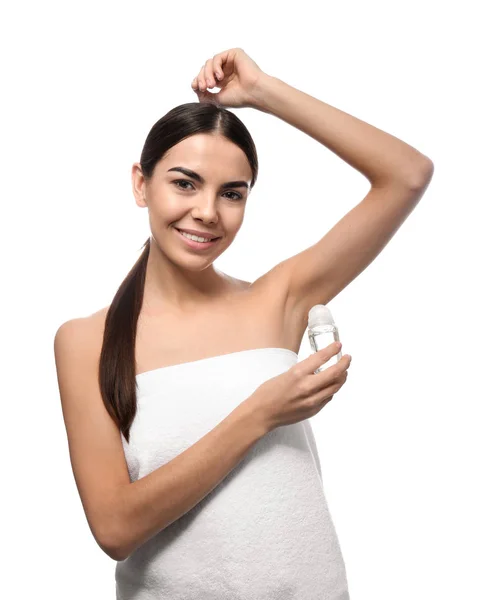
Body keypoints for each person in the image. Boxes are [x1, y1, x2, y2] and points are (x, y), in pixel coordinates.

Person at [54, 48, 434, 599]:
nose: (208, 211)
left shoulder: (278, 300)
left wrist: (264, 93)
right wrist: (258, 414)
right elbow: (115, 527)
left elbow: (407, 174)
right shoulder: (85, 340)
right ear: (142, 184)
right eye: (185, 183)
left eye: (232, 193)